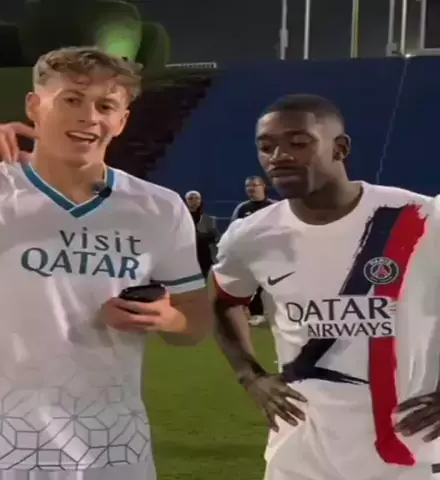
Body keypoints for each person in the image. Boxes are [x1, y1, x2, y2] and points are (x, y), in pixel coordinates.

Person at [0, 46, 211, 480]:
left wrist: (168, 319)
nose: (89, 117)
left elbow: (197, 322)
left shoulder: (158, 208)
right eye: (71, 100)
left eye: (105, 106)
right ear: (34, 106)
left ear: (122, 121)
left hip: (112, 454)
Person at [210, 93, 434, 480]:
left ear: (340, 148)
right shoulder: (251, 236)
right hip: (300, 454)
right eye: (266, 147)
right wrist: (251, 376)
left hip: (408, 454)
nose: (279, 156)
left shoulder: (421, 217)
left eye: (298, 142)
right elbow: (222, 302)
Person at [231, 176, 275, 326]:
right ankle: (256, 313)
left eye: (255, 185)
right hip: (251, 254)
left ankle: (278, 313)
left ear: (263, 186)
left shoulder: (275, 206)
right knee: (252, 284)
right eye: (248, 186)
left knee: (274, 284)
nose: (251, 189)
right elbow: (234, 231)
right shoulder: (242, 208)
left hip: (272, 254)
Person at [185, 190, 219, 278]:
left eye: (197, 198)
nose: (194, 201)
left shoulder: (210, 220)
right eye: (190, 198)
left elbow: (216, 238)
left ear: (200, 200)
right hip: (187, 257)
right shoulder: (181, 219)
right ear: (186, 201)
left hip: (205, 258)